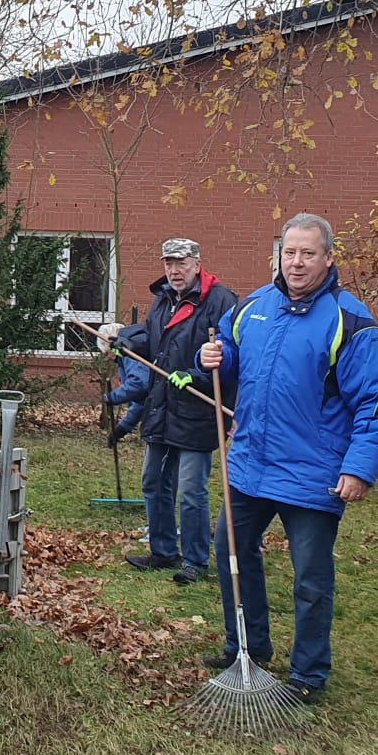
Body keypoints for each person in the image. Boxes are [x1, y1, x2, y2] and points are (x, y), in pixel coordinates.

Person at [196, 213, 378, 702]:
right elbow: (224, 355)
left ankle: (307, 675)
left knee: (311, 578)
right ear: (279, 256)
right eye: (290, 252)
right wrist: (211, 359)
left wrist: (358, 467)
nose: (298, 262)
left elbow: (375, 399)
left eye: (309, 253)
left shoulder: (349, 321)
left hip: (314, 473)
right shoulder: (253, 308)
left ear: (328, 258)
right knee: (230, 554)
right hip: (250, 464)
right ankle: (246, 646)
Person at [105, 239, 235, 585]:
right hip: (161, 406)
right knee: (153, 481)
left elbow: (230, 355)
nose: (174, 271)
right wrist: (129, 343)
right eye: (168, 264)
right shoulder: (163, 300)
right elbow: (152, 339)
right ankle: (163, 550)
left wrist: (195, 375)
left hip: (197, 411)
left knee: (190, 490)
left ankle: (195, 560)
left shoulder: (220, 301)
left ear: (197, 263)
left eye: (181, 263)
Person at [102, 321, 152, 446]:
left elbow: (140, 385)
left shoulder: (128, 352)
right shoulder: (134, 348)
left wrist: (112, 397)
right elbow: (142, 401)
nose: (108, 357)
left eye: (106, 352)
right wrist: (121, 429)